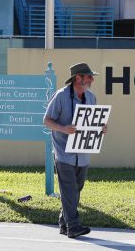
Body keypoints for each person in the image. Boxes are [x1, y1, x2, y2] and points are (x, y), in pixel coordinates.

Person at [43, 62, 107, 239]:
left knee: (75, 191)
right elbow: (47, 121)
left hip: (83, 154)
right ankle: (74, 227)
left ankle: (64, 224)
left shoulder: (92, 98)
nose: (92, 79)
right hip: (64, 154)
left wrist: (101, 128)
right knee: (70, 191)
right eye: (89, 76)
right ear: (78, 78)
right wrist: (64, 129)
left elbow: (93, 123)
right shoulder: (61, 96)